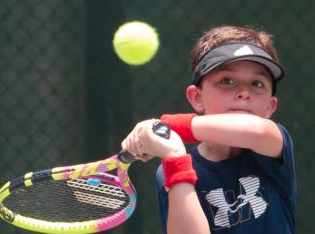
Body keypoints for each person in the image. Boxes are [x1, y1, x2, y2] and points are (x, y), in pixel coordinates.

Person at [121, 25, 296, 234]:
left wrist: (168, 125)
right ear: (197, 98)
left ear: (270, 107)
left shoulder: (275, 143)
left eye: (257, 83)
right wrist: (175, 158)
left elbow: (257, 131)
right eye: (227, 81)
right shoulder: (173, 166)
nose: (244, 92)